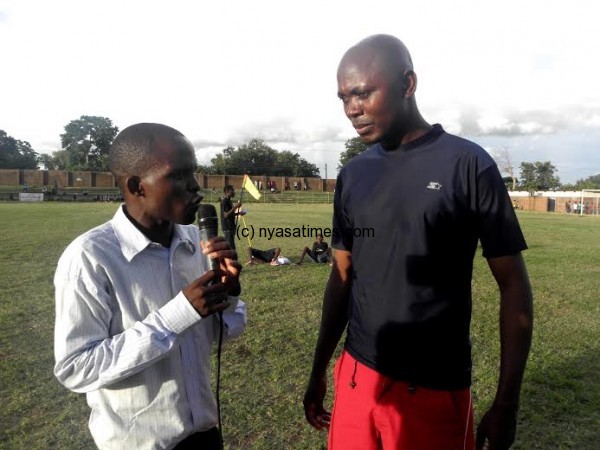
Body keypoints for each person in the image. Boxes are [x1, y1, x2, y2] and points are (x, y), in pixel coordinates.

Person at [303, 35, 533, 450]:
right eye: (343, 97)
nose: (351, 109)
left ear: (407, 84)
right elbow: (342, 274)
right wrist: (320, 368)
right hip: (357, 376)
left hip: (433, 389)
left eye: (362, 93)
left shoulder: (468, 165)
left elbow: (514, 286)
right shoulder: (354, 174)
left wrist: (507, 403)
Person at [53, 123, 247, 450]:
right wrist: (178, 314)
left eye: (194, 173)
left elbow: (226, 329)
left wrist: (228, 296)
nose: (196, 187)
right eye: (179, 176)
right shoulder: (90, 257)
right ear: (136, 186)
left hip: (204, 435)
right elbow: (76, 367)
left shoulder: (194, 243)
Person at [220, 184, 245, 251]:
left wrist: (238, 213)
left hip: (231, 226)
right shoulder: (224, 201)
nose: (234, 192)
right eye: (232, 191)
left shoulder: (229, 201)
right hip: (227, 227)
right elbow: (226, 215)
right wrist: (235, 207)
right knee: (231, 247)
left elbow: (230, 214)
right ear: (227, 191)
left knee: (230, 246)